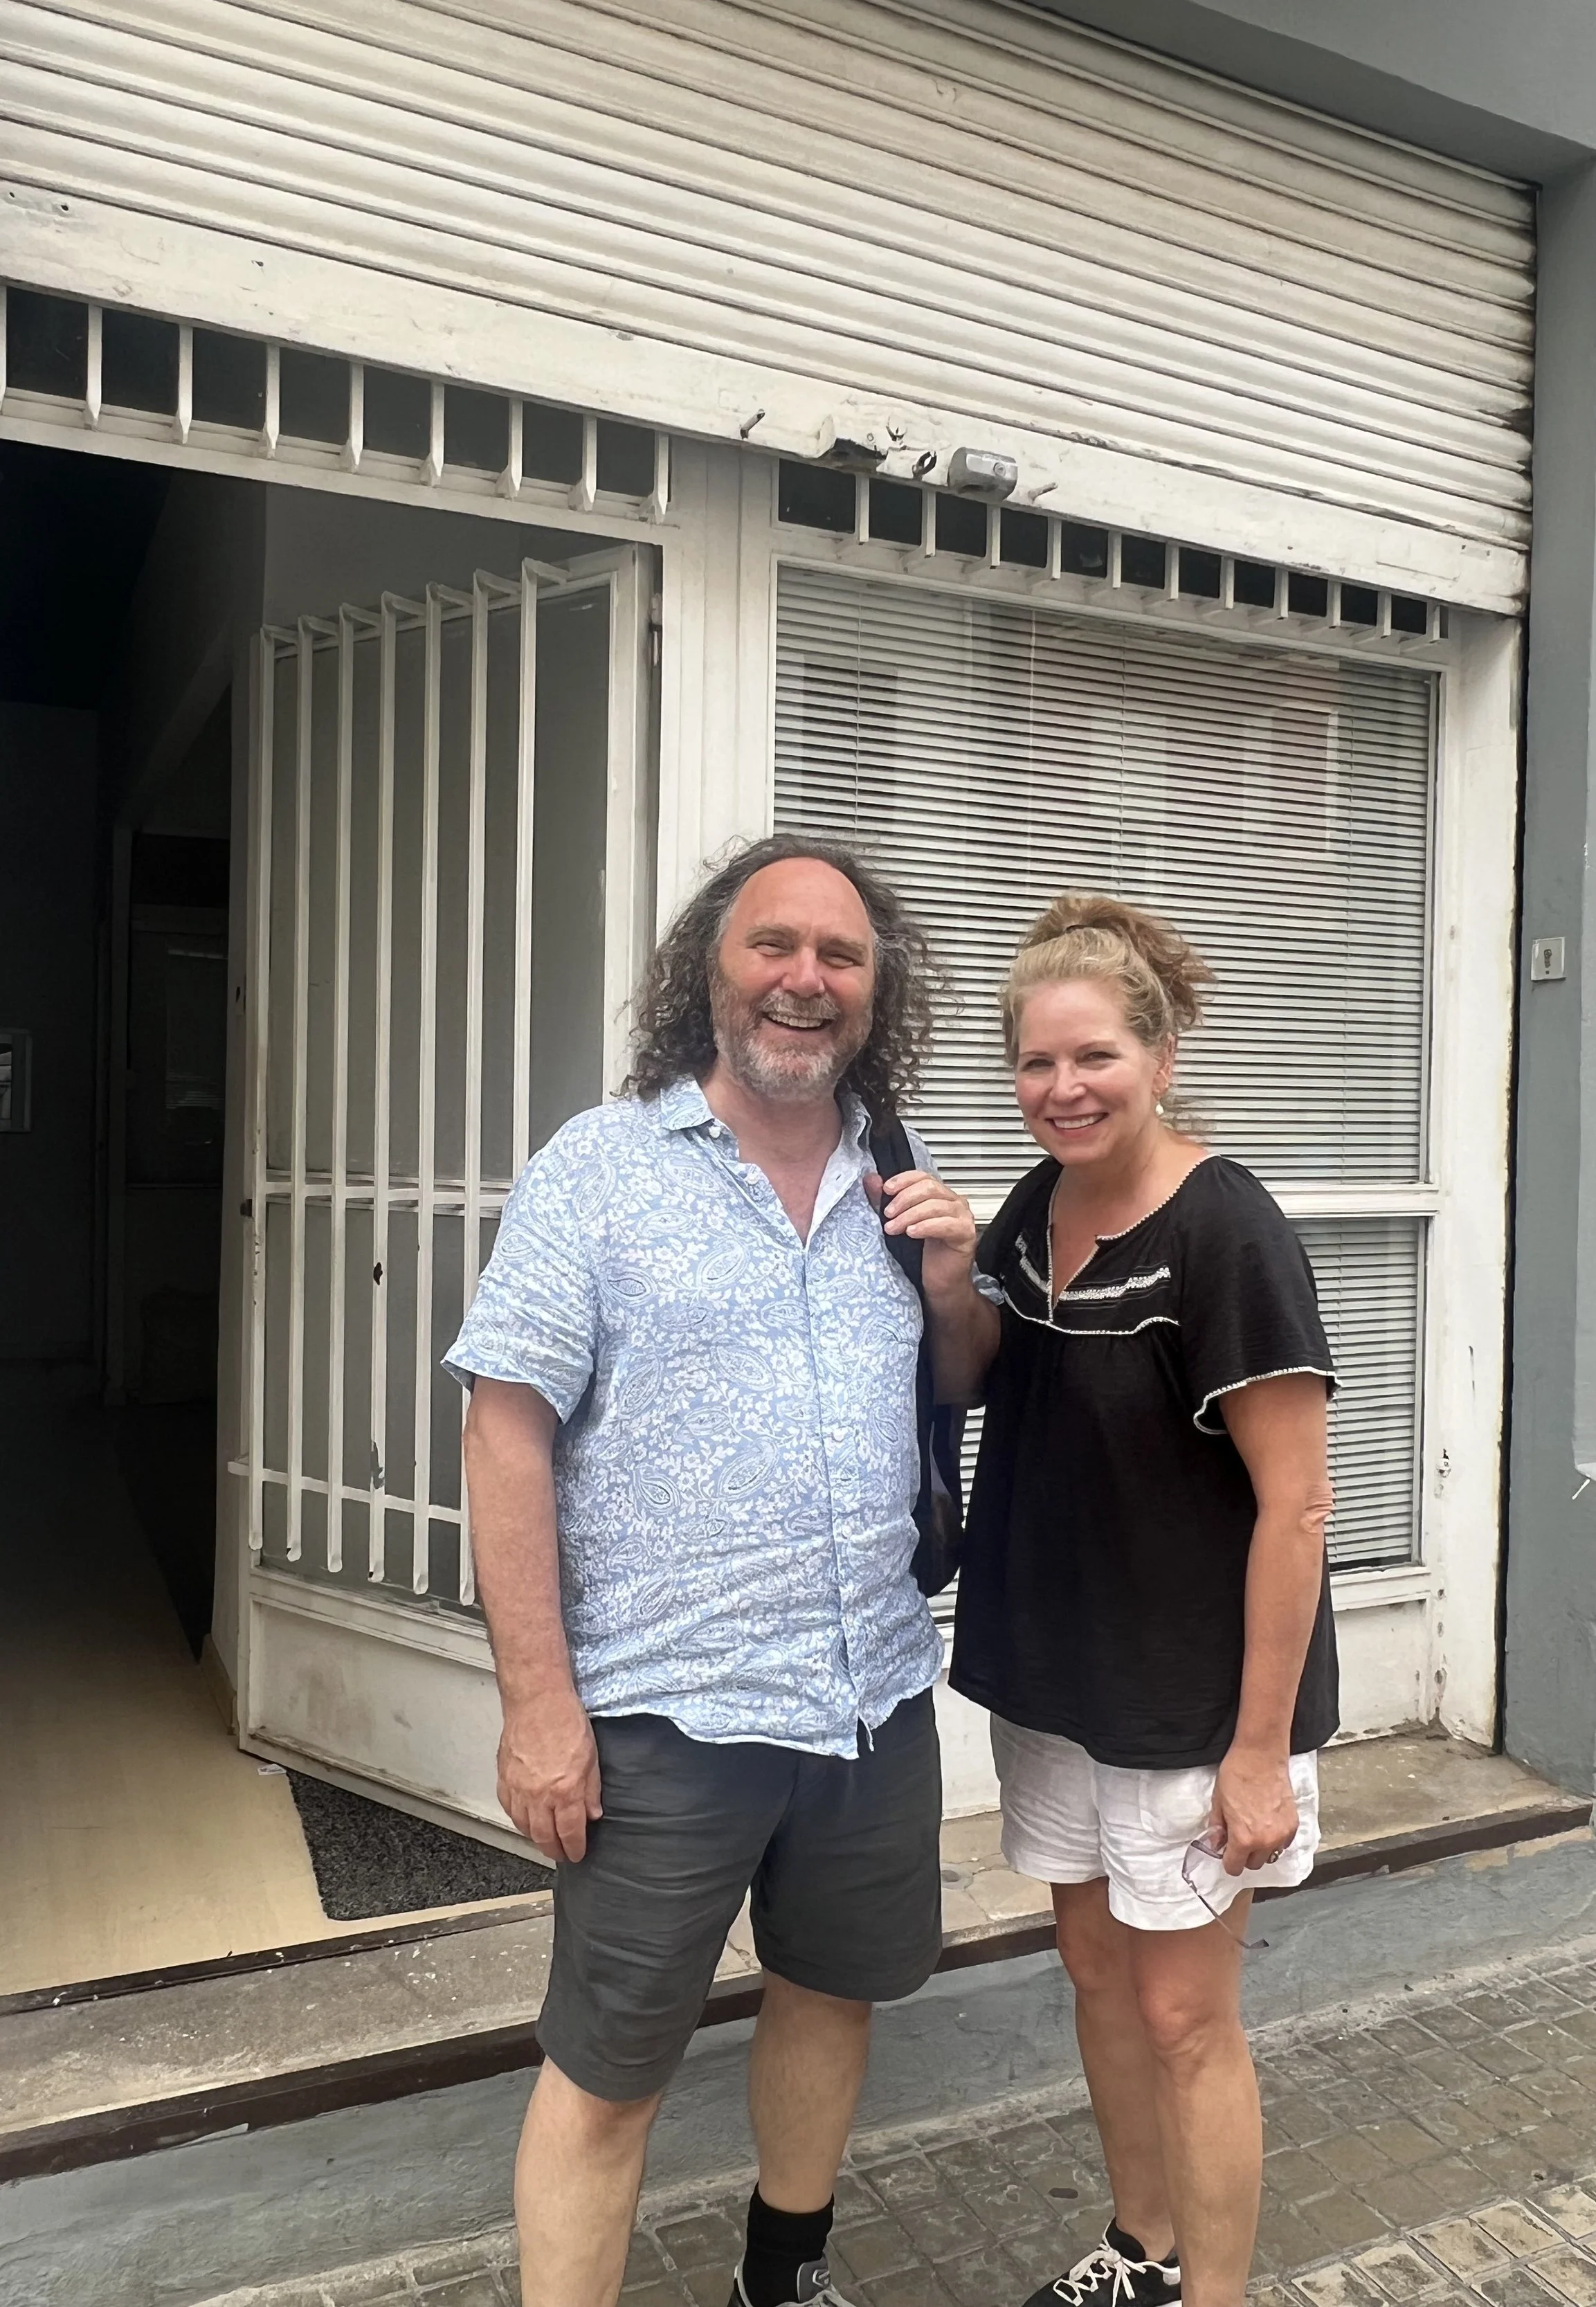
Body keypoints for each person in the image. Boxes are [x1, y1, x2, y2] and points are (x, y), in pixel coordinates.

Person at [443, 833, 993, 2307]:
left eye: (841, 956)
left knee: (827, 1996)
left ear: (877, 993)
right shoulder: (603, 1169)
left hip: (867, 1696)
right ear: (711, 967)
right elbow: (503, 1436)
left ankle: (782, 2277)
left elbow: (957, 1383)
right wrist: (537, 1708)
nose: (805, 979)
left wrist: (955, 1285)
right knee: (607, 2065)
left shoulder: (895, 1171)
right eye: (774, 946)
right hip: (661, 1718)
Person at [947, 893, 1338, 2307]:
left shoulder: (1225, 1228)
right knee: (1097, 1977)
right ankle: (1139, 2245)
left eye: (1094, 1056)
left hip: (1187, 1703)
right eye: (1037, 1064)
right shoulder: (1037, 1200)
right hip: (1056, 1682)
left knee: (1183, 2015)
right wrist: (947, 1270)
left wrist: (1256, 1746)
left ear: (1160, 1054)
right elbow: (969, 1375)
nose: (1063, 1088)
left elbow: (1294, 1508)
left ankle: (1215, 2291)